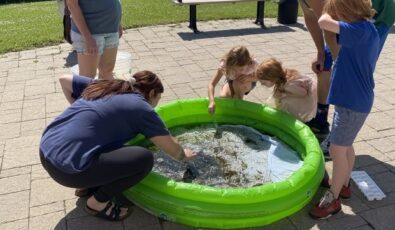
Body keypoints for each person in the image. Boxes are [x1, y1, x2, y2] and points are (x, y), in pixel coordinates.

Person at [40, 71, 196, 221]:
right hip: (67, 171)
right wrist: (183, 154)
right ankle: (98, 202)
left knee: (110, 142)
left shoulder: (108, 85)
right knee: (144, 159)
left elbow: (64, 80)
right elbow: (170, 148)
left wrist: (84, 114)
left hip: (46, 150)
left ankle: (87, 185)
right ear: (152, 93)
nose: (155, 105)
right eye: (158, 99)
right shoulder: (142, 108)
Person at [309, 0, 380, 219]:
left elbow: (322, 21)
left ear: (345, 10)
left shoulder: (359, 29)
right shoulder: (366, 28)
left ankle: (333, 198)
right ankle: (344, 183)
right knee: (345, 147)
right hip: (352, 100)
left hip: (352, 103)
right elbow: (339, 50)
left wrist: (327, 9)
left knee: (337, 149)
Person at [67, 0, 123, 79]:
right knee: (87, 77)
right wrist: (88, 38)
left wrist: (118, 23)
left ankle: (105, 91)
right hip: (91, 34)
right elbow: (72, 5)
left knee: (107, 72)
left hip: (112, 29)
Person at [255, 58, 317, 123]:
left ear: (272, 78)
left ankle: (298, 120)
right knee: (280, 98)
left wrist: (284, 94)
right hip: (302, 89)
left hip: (310, 94)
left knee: (286, 101)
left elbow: (303, 93)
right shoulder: (280, 78)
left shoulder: (288, 85)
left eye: (264, 83)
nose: (262, 84)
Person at [208, 46, 258, 114]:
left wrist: (250, 78)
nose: (238, 72)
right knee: (224, 98)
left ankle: (239, 106)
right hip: (231, 80)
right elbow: (211, 84)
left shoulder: (252, 64)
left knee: (237, 84)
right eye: (234, 69)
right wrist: (211, 101)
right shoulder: (224, 66)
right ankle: (229, 92)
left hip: (247, 81)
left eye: (241, 69)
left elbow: (263, 78)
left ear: (248, 62)